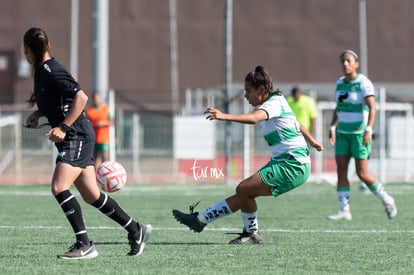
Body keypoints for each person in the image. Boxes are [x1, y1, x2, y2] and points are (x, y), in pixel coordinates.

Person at [23, 27, 151, 259]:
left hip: (76, 135)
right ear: (48, 46)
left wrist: (63, 127)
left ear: (26, 51)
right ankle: (136, 229)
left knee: (59, 187)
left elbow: (81, 98)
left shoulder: (52, 70)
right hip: (77, 135)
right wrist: (39, 114)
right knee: (92, 195)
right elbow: (59, 101)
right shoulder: (43, 71)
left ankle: (84, 244)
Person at [172, 65, 323, 244]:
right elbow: (296, 123)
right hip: (287, 162)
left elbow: (253, 119)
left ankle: (251, 233)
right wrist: (312, 141)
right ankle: (199, 221)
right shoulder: (278, 102)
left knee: (243, 189)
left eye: (248, 91)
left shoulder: (273, 103)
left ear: (261, 89)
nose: (245, 95)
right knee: (244, 195)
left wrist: (223, 116)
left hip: (292, 165)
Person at [327, 50, 397, 221]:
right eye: (342, 61)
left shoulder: (364, 83)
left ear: (356, 64)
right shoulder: (340, 83)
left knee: (362, 174)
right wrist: (332, 127)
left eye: (348, 61)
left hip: (359, 134)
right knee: (341, 171)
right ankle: (344, 210)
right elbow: (339, 107)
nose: (345, 64)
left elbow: (373, 108)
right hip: (343, 134)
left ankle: (387, 200)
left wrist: (368, 130)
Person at [86, 91, 113, 169]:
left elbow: (112, 121)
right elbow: (86, 123)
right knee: (94, 159)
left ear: (101, 98)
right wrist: (93, 125)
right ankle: (96, 177)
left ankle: (106, 174)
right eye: (95, 98)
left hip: (104, 139)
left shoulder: (106, 109)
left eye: (98, 98)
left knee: (105, 158)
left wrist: (103, 123)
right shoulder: (89, 110)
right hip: (93, 138)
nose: (96, 99)